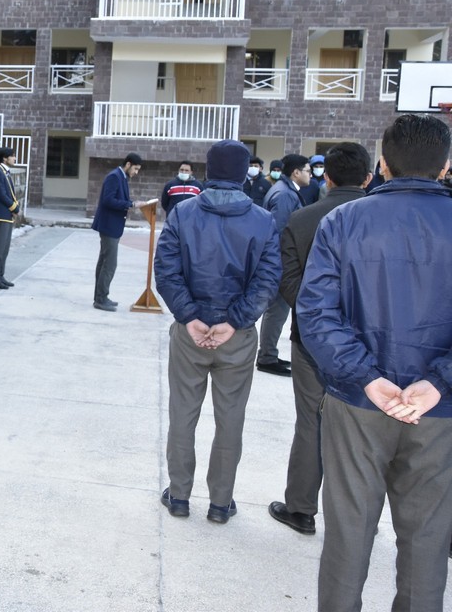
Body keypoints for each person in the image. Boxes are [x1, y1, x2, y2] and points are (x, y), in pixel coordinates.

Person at [298, 114, 452, 610]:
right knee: (428, 537)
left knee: (349, 529)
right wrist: (439, 382)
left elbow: (316, 313)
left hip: (358, 403)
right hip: (439, 412)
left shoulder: (343, 221)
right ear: (445, 166)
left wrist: (365, 377)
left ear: (383, 164)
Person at [154, 140, 281, 524]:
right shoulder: (262, 220)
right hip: (237, 337)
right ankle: (220, 504)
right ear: (244, 173)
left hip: (189, 334)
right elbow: (267, 281)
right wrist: (235, 321)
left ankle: (179, 495)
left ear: (208, 171)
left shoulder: (183, 213)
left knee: (182, 414)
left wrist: (190, 316)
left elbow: (167, 271)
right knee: (230, 420)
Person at [266, 142, 372, 537]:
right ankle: (359, 515)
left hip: (310, 339)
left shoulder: (302, 217)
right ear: (367, 177)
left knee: (311, 422)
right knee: (363, 427)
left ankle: (301, 509)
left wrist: (318, 317)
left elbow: (287, 280)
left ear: (326, 176)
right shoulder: (382, 219)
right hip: (368, 342)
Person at [255, 153, 311, 376]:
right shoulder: (285, 195)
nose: (310, 174)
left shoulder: (284, 190)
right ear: (296, 172)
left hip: (279, 260)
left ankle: (269, 353)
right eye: (307, 170)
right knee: (277, 310)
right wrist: (284, 264)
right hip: (281, 262)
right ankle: (267, 357)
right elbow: (280, 232)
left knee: (277, 310)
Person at [91, 153, 152, 309]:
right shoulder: (114, 176)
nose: (136, 173)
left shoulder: (121, 177)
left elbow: (116, 199)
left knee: (104, 262)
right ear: (128, 164)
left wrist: (132, 203)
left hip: (112, 226)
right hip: (109, 225)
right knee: (110, 264)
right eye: (135, 169)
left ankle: (100, 296)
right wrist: (131, 204)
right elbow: (108, 200)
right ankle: (101, 299)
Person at [0, 146, 21, 289]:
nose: (14, 158)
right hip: (1, 215)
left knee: (4, 249)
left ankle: (0, 275)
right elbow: (2, 194)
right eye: (12, 156)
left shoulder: (5, 172)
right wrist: (14, 207)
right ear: (4, 158)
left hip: (7, 215)